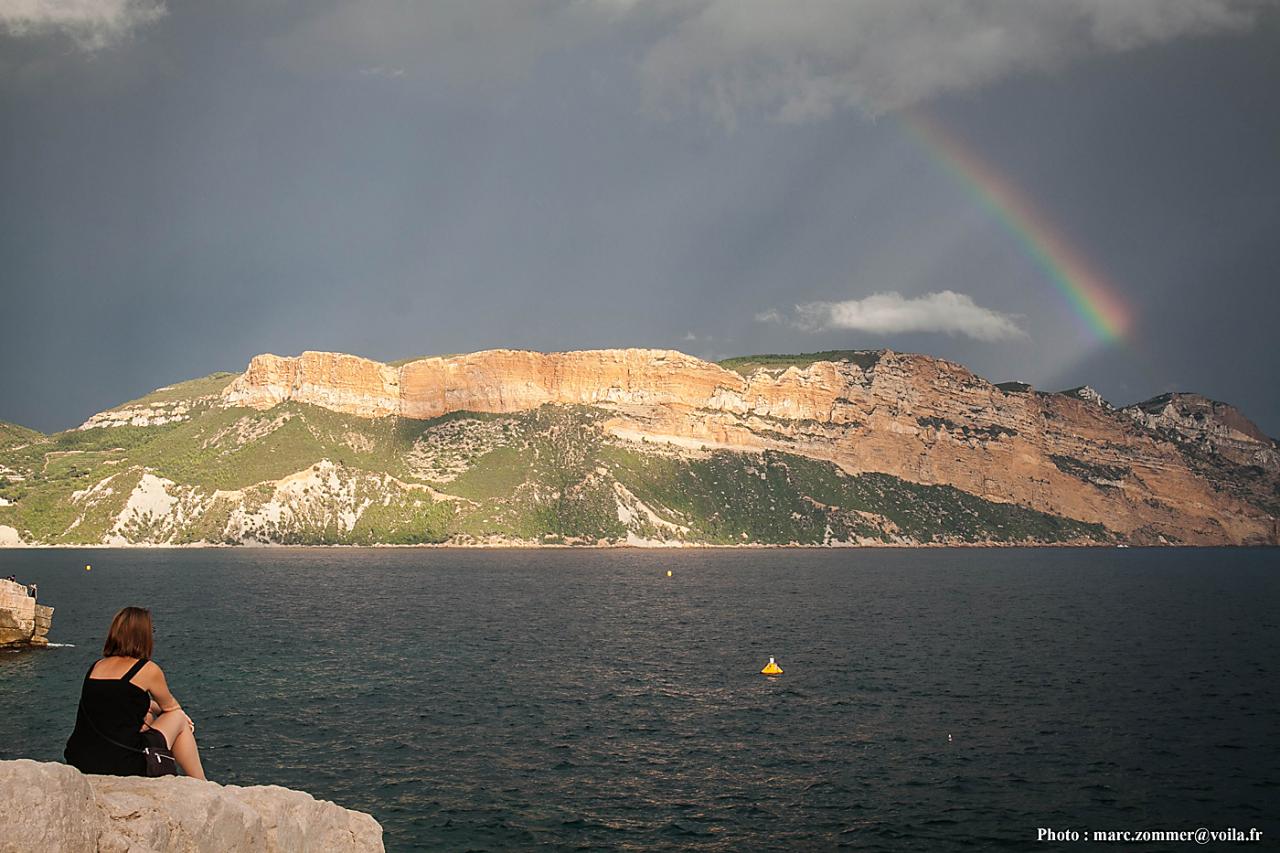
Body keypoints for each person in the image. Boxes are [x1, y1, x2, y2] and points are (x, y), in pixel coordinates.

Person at [64, 607, 206, 780]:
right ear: (143, 636)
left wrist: (149, 709)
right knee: (178, 718)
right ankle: (201, 783)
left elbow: (116, 702)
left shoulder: (96, 667)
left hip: (82, 760)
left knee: (149, 717)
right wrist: (181, 717)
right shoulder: (147, 669)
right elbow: (172, 708)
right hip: (124, 763)